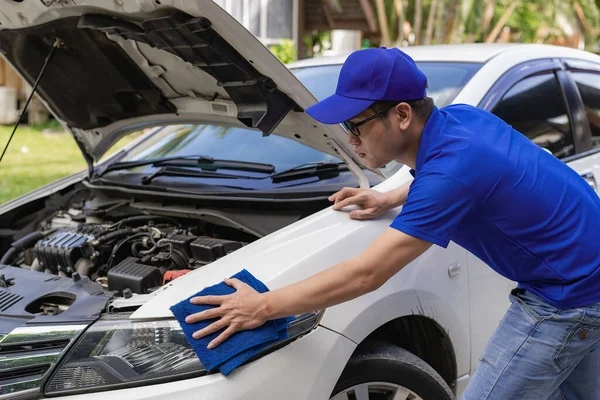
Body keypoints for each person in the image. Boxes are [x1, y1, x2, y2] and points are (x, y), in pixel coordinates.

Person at [184, 47, 600, 399]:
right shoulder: (462, 121)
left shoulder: (450, 175)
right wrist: (390, 196)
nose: (350, 140)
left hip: (567, 299)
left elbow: (367, 274)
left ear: (402, 114)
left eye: (355, 125)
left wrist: (261, 305)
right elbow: (461, 174)